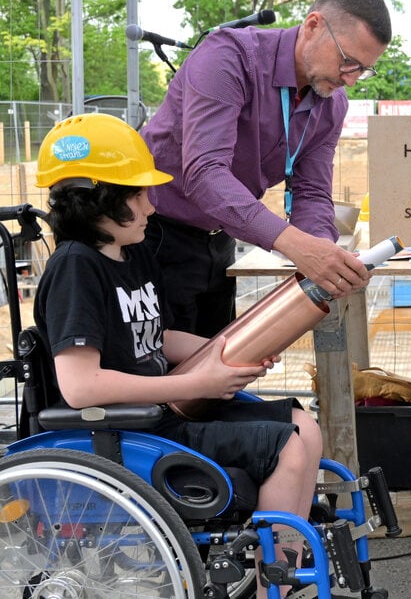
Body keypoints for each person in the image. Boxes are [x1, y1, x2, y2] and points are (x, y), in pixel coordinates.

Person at [33, 113, 323, 599]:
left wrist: (230, 355)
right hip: (126, 425)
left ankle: (284, 566)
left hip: (160, 410)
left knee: (304, 424)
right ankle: (273, 580)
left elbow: (156, 335)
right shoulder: (76, 271)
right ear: (98, 200)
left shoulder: (134, 251)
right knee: (287, 447)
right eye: (139, 194)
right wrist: (195, 385)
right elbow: (80, 386)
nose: (152, 205)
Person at [141, 0, 392, 338]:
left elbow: (312, 192)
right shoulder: (227, 58)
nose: (351, 80)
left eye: (363, 69)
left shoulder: (332, 103)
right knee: (157, 373)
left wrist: (323, 253)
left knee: (216, 367)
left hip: (221, 237)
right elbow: (205, 173)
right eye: (348, 61)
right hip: (155, 235)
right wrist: (296, 245)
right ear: (312, 25)